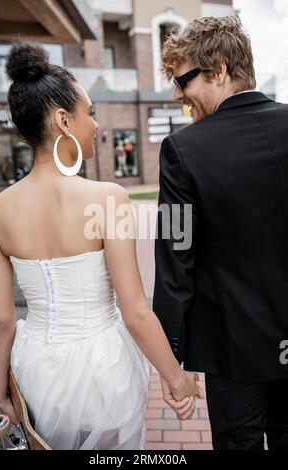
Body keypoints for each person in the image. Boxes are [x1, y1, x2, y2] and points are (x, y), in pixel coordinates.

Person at [0, 41, 203, 451]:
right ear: (64, 120)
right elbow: (137, 311)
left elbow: (0, 321)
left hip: (35, 366)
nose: (97, 125)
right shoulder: (109, 198)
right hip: (103, 368)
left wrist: (0, 392)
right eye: (91, 114)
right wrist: (176, 378)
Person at [153, 15, 288, 450]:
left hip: (232, 350)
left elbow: (176, 257)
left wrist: (173, 357)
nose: (178, 95)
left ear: (220, 71)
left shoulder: (184, 149)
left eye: (183, 80)